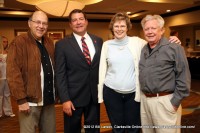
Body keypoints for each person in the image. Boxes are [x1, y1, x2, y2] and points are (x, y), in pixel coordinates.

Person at [98, 12, 181, 133]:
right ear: (112, 27)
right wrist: (101, 94)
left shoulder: (137, 42)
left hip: (133, 94)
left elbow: (156, 42)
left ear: (127, 28)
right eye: (116, 26)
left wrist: (172, 41)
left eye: (122, 26)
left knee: (134, 128)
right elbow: (102, 70)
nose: (119, 29)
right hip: (111, 93)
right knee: (117, 128)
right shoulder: (106, 45)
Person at [139, 14, 191, 133]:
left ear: (162, 30)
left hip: (165, 101)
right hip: (145, 102)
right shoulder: (144, 49)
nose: (150, 32)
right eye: (147, 29)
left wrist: (174, 102)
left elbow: (184, 77)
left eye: (153, 28)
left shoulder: (174, 48)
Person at [6, 11, 56, 133]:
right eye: (37, 22)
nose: (41, 26)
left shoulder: (49, 42)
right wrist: (21, 100)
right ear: (29, 23)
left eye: (44, 23)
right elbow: (13, 73)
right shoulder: (19, 42)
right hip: (29, 102)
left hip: (49, 100)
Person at [55, 9, 103, 133]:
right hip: (73, 99)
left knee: (93, 129)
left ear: (86, 22)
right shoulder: (62, 44)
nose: (78, 22)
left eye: (81, 19)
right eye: (74, 20)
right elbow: (60, 74)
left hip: (94, 97)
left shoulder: (98, 41)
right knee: (72, 130)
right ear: (70, 24)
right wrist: (65, 99)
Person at [0, 36, 15, 118]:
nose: (5, 43)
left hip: (8, 76)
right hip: (0, 77)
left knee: (7, 94)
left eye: (6, 41)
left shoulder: (9, 52)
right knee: (0, 95)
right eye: (3, 41)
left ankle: (8, 112)